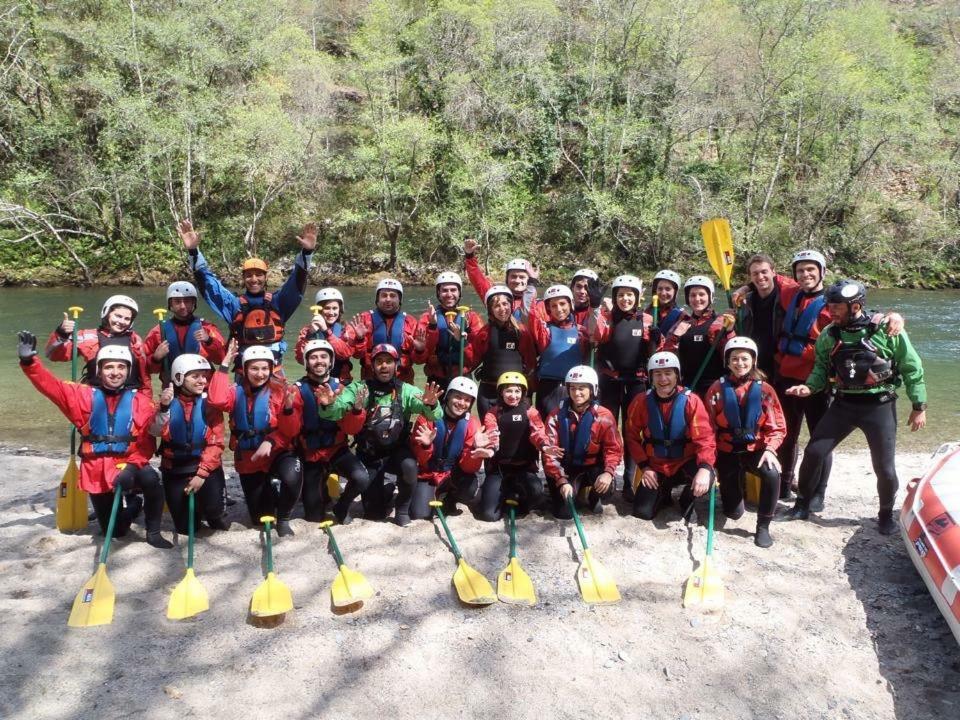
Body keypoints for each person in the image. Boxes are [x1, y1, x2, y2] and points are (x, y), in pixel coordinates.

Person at [781, 280, 927, 535]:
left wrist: (919, 405)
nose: (831, 311)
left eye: (836, 306)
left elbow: (911, 367)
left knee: (884, 467)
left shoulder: (887, 330)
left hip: (879, 405)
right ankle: (802, 504)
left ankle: (884, 515)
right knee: (814, 452)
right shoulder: (829, 335)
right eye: (829, 305)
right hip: (844, 404)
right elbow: (820, 370)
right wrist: (809, 388)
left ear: (856, 306)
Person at [19, 335, 172, 548]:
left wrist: (130, 468)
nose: (115, 372)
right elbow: (50, 386)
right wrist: (29, 362)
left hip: (129, 466)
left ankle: (153, 532)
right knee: (116, 531)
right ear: (99, 370)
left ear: (128, 371)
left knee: (151, 479)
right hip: (96, 471)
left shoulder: (141, 401)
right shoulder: (81, 396)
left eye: (121, 367)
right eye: (109, 367)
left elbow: (147, 444)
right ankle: (134, 505)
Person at [317, 343, 443, 526]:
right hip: (370, 454)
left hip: (396, 451)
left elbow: (434, 414)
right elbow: (337, 410)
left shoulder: (406, 390)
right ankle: (386, 489)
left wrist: (431, 404)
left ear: (396, 365)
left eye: (389, 361)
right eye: (379, 362)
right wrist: (329, 404)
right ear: (372, 366)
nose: (384, 366)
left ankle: (401, 509)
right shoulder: (359, 389)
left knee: (409, 466)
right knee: (374, 513)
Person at [177, 219, 317, 368]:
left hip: (273, 372)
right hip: (244, 374)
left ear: (266, 277)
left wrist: (307, 252)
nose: (254, 279)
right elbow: (208, 284)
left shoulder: (279, 302)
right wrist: (193, 251)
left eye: (259, 275)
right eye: (249, 275)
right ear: (243, 278)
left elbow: (297, 282)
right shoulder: (234, 304)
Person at [207, 340, 301, 536]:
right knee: (259, 518)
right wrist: (224, 364)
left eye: (265, 368)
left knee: (292, 477)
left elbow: (291, 431)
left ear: (271, 369)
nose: (260, 374)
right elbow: (216, 400)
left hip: (277, 451)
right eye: (254, 368)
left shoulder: (282, 391)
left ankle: (283, 518)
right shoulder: (235, 392)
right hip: (249, 458)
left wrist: (272, 439)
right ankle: (270, 491)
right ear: (245, 370)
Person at [704, 338, 786, 547]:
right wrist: (708, 461)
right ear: (727, 362)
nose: (739, 363)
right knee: (733, 513)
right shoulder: (716, 389)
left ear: (753, 361)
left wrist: (770, 449)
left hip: (756, 449)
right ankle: (735, 493)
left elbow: (777, 426)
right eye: (735, 359)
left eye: (744, 359)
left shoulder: (765, 390)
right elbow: (707, 428)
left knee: (772, 472)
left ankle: (764, 526)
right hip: (727, 451)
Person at [624, 352, 717, 524]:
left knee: (707, 475)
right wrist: (644, 466)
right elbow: (631, 437)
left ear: (677, 375)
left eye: (668, 373)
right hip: (655, 465)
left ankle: (687, 499)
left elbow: (705, 438)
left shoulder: (692, 401)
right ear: (651, 377)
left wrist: (705, 468)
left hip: (685, 462)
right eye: (657, 374)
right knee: (642, 512)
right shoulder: (640, 402)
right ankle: (663, 493)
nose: (663, 379)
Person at [593, 274, 656, 501]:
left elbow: (656, 354)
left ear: (637, 298)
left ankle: (629, 480)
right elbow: (595, 335)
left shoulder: (647, 319)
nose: (625, 299)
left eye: (630, 295)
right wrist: (595, 309)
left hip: (637, 381)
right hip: (610, 381)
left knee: (632, 430)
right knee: (607, 428)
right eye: (620, 295)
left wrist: (657, 342)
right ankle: (607, 475)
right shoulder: (607, 318)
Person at [150, 354, 230, 533]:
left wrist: (201, 475)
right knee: (187, 529)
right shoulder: (166, 403)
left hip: (206, 468)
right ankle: (196, 509)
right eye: (195, 376)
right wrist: (163, 407)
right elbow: (155, 431)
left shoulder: (210, 406)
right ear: (178, 377)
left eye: (204, 376)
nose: (202, 381)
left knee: (215, 512)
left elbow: (216, 444)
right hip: (175, 469)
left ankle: (212, 512)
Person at [291, 339, 368, 524]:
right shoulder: (296, 390)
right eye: (313, 357)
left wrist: (357, 409)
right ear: (306, 362)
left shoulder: (341, 388)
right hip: (310, 453)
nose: (319, 361)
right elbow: (291, 429)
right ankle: (321, 490)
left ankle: (341, 506)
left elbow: (350, 428)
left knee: (361, 478)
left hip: (336, 449)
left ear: (331, 361)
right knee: (313, 517)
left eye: (324, 356)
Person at [408, 376, 496, 521]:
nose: (462, 403)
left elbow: (468, 468)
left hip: (453, 474)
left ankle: (450, 497)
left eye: (467, 400)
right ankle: (432, 492)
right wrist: (426, 445)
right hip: (429, 473)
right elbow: (421, 460)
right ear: (448, 396)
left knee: (470, 490)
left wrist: (475, 451)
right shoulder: (427, 418)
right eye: (458, 397)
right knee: (420, 514)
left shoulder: (472, 424)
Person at [543, 366, 623, 519]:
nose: (576, 393)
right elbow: (549, 455)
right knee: (564, 513)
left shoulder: (604, 416)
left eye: (582, 388)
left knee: (607, 489)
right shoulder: (556, 416)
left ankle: (592, 495)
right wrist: (561, 480)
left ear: (592, 389)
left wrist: (608, 472)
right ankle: (575, 490)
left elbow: (613, 449)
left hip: (593, 467)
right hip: (567, 469)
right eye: (572, 388)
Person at [478, 372, 557, 521]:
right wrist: (490, 449)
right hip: (499, 469)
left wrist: (544, 445)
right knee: (490, 515)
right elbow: (492, 433)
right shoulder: (492, 413)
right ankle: (502, 491)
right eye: (508, 390)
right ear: (501, 392)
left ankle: (517, 493)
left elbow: (538, 432)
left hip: (524, 468)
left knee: (535, 494)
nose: (513, 395)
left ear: (523, 392)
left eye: (517, 391)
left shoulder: (531, 412)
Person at [45, 294, 151, 392]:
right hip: (96, 393)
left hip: (128, 394)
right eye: (118, 316)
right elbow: (52, 355)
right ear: (107, 313)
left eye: (127, 319)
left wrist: (146, 398)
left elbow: (144, 375)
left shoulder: (135, 340)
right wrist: (61, 333)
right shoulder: (87, 336)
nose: (122, 321)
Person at [465, 285, 538, 417]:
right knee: (490, 434)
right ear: (490, 310)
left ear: (511, 305)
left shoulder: (521, 331)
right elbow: (471, 360)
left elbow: (530, 363)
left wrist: (528, 393)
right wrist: (462, 341)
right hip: (489, 393)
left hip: (515, 393)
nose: (502, 309)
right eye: (497, 306)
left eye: (505, 304)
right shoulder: (485, 332)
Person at [662, 275, 735, 396]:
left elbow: (731, 354)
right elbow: (667, 354)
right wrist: (675, 337)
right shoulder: (681, 323)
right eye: (693, 295)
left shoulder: (721, 322)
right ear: (687, 298)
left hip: (715, 387)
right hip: (687, 387)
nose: (697, 299)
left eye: (702, 294)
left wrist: (729, 331)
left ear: (710, 297)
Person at [144, 281, 226, 384]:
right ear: (171, 304)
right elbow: (148, 369)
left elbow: (222, 360)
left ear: (193, 303)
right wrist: (155, 358)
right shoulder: (158, 332)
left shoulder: (207, 328)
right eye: (177, 301)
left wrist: (209, 341)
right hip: (172, 390)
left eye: (187, 301)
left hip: (202, 387)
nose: (182, 306)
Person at [529, 284, 589, 417]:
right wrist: (532, 284)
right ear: (548, 309)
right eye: (554, 306)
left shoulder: (581, 332)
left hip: (574, 388)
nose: (559, 309)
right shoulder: (545, 330)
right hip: (548, 389)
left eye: (562, 304)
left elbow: (587, 358)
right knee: (547, 428)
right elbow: (531, 315)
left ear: (571, 304)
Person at [348, 279, 425, 383]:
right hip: (371, 378)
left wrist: (420, 350)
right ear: (377, 299)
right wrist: (360, 339)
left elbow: (419, 361)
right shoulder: (364, 320)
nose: (388, 299)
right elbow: (357, 355)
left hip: (402, 379)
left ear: (399, 299)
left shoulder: (410, 322)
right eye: (384, 295)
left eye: (393, 296)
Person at [418, 272, 484, 391]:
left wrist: (464, 341)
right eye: (444, 290)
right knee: (432, 409)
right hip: (437, 377)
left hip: (462, 376)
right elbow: (420, 356)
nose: (449, 294)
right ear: (438, 292)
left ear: (459, 292)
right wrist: (432, 326)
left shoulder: (471, 317)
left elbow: (479, 352)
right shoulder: (427, 317)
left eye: (453, 290)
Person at [463, 238, 537, 319]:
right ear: (507, 279)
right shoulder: (495, 296)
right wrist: (469, 256)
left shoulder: (538, 304)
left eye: (522, 277)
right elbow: (478, 280)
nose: (517, 281)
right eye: (513, 276)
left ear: (529, 280)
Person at [294, 287, 357, 382]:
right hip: (315, 379)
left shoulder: (347, 329)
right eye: (327, 308)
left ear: (340, 310)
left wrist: (326, 331)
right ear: (320, 309)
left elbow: (345, 354)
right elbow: (300, 359)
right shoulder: (307, 330)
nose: (331, 313)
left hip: (341, 380)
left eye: (335, 308)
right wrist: (310, 334)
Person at [646, 269, 684, 338]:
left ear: (675, 292)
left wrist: (660, 338)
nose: (663, 293)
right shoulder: (647, 311)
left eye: (668, 289)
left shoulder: (682, 316)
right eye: (660, 289)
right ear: (655, 290)